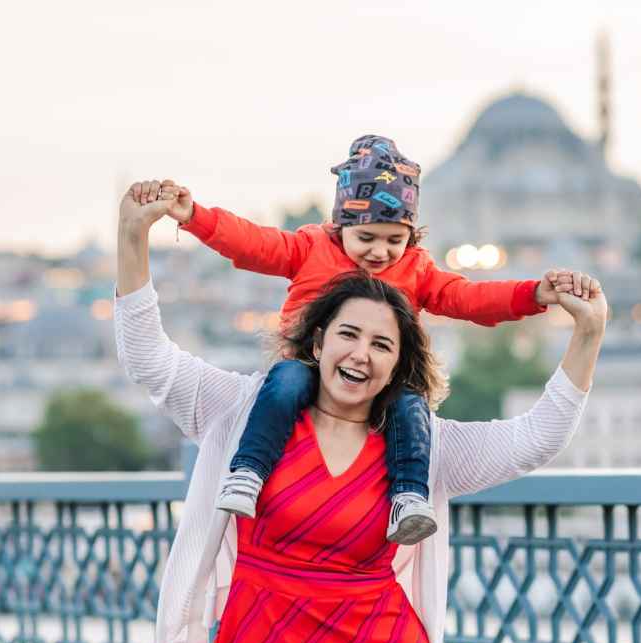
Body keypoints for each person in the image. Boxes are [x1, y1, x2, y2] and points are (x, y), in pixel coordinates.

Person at [114, 181, 606, 643]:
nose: (362, 354)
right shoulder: (243, 416)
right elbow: (148, 359)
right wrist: (133, 239)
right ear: (316, 340)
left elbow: (534, 441)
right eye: (348, 334)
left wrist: (585, 336)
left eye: (383, 343)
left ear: (399, 361)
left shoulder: (421, 449)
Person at [157, 134, 589, 547]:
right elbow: (252, 243)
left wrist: (534, 295)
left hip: (379, 383)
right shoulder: (310, 248)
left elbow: (467, 298)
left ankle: (407, 498)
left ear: (411, 236)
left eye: (394, 240)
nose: (380, 253)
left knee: (411, 406)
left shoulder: (417, 269)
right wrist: (195, 216)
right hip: (306, 364)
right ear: (340, 225)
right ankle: (248, 471)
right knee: (285, 384)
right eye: (366, 238)